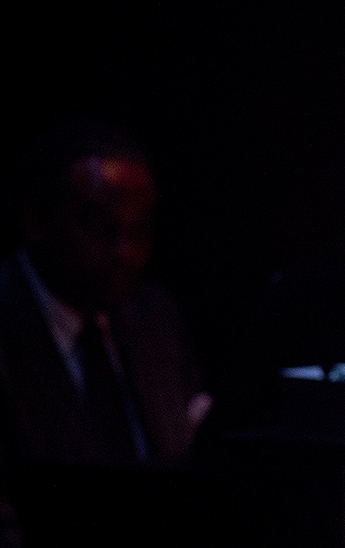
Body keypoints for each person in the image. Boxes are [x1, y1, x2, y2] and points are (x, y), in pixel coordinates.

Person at [0, 120, 211, 467]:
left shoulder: (153, 315)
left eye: (138, 230)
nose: (124, 253)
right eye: (99, 227)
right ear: (35, 220)